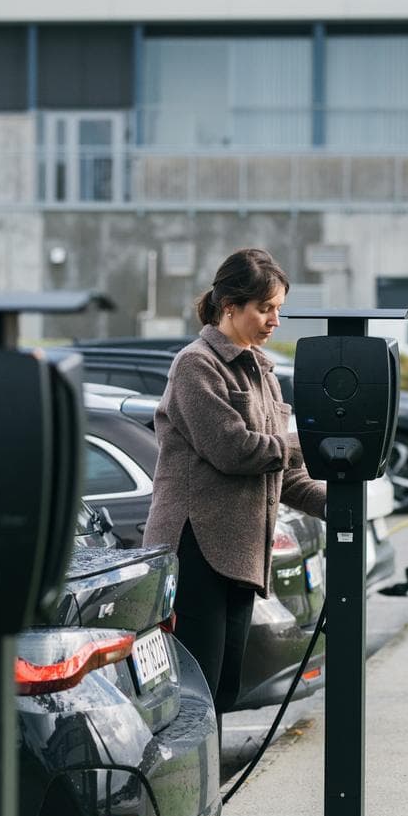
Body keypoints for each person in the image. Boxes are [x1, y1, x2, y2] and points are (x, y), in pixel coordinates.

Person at [143, 248, 326, 727]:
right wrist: (311, 443)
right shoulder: (196, 365)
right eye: (265, 308)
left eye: (279, 309)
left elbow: (283, 473)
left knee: (222, 688)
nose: (275, 320)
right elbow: (235, 449)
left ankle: (209, 796)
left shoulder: (263, 372)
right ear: (230, 305)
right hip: (196, 545)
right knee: (196, 689)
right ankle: (196, 793)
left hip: (240, 552)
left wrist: (343, 501)